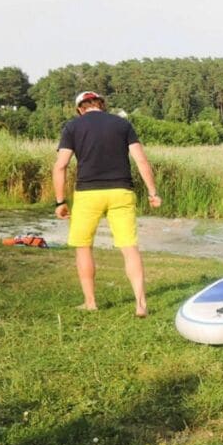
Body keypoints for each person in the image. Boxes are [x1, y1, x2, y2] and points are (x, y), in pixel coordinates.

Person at [52, 91, 162, 316]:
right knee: (129, 247)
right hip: (121, 191)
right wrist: (152, 192)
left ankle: (90, 302)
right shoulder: (122, 124)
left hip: (87, 194)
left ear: (80, 108)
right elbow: (141, 160)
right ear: (101, 105)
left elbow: (60, 166)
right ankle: (141, 304)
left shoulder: (73, 126)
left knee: (84, 247)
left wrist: (60, 201)